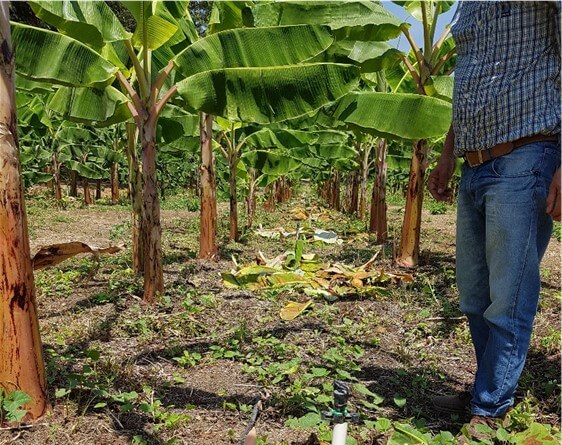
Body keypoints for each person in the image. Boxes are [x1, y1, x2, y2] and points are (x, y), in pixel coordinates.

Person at [427, 0, 561, 435]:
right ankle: (488, 386)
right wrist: (448, 152)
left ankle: (489, 408)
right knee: (473, 294)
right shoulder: (467, 6)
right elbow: (469, 76)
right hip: (474, 162)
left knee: (508, 296)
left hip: (528, 152)